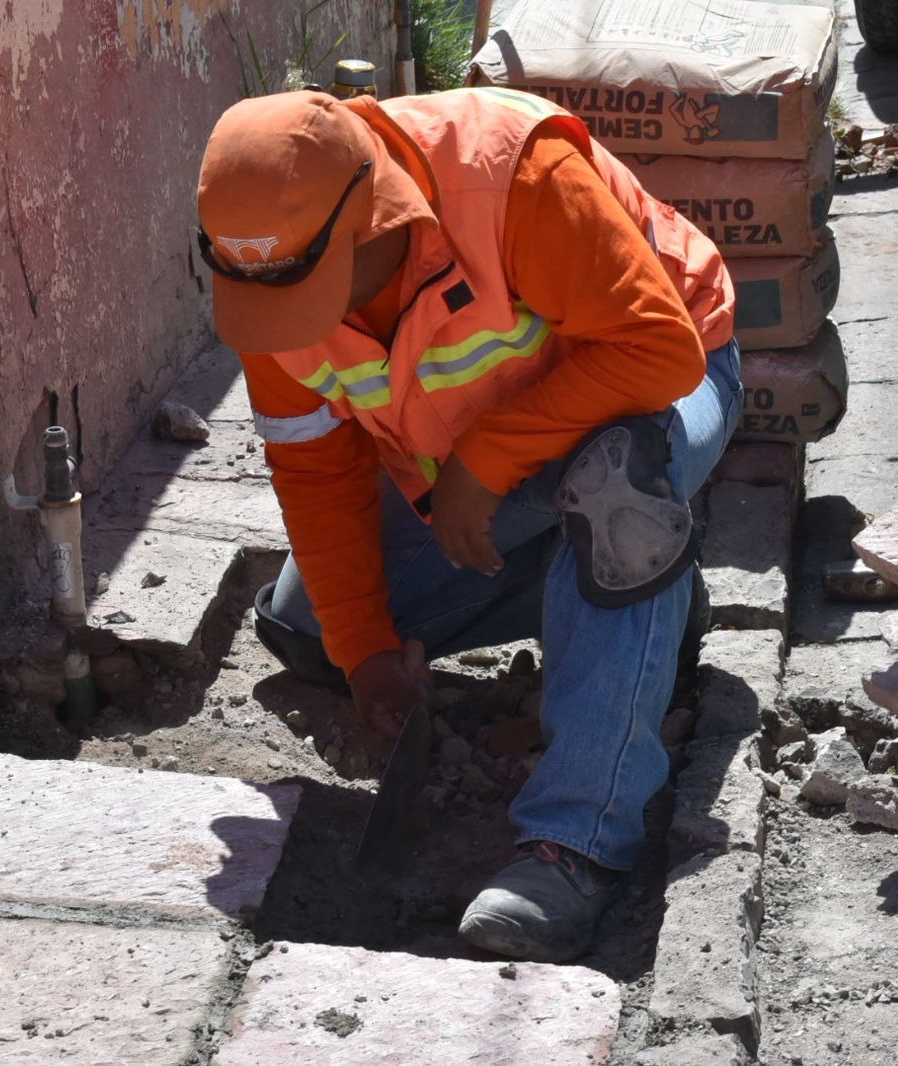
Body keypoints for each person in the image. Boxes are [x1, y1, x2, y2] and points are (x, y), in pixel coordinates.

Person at [195, 85, 741, 962]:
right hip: (467, 461)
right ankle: (645, 606)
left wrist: (482, 468)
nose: (295, 328)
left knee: (614, 504)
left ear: (373, 216)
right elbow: (315, 466)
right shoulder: (267, 267)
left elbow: (656, 349)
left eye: (313, 291)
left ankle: (575, 841)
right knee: (310, 628)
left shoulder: (511, 176)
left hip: (661, 384)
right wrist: (368, 653)